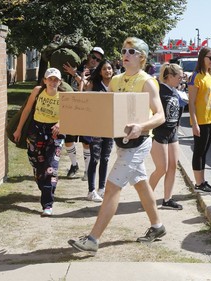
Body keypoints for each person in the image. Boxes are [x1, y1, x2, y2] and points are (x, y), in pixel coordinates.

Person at [68, 37, 166, 255]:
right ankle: (158, 227)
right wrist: (68, 120)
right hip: (121, 142)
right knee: (141, 183)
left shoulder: (147, 81)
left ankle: (93, 240)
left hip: (139, 142)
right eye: (124, 50)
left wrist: (141, 126)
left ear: (142, 57)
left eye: (131, 51)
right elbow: (102, 110)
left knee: (112, 187)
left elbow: (160, 116)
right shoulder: (116, 80)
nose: (126, 54)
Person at [13, 68, 64, 217]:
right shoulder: (37, 91)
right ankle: (46, 188)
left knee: (50, 167)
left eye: (56, 79)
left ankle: (47, 204)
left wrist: (60, 123)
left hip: (54, 132)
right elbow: (27, 109)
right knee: (36, 164)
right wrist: (18, 129)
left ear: (60, 81)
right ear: (45, 80)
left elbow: (71, 113)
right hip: (36, 130)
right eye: (50, 79)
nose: (53, 82)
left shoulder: (64, 96)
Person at [62, 47, 105, 181]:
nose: (94, 61)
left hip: (88, 110)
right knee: (68, 139)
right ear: (88, 55)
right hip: (72, 108)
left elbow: (87, 87)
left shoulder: (98, 74)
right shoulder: (77, 66)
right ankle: (74, 165)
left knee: (86, 142)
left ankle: (87, 170)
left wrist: (75, 75)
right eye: (93, 57)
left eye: (98, 59)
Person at [149, 63, 184, 210]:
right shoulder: (159, 91)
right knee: (161, 168)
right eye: (179, 77)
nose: (181, 80)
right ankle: (147, 195)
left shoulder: (174, 91)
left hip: (172, 133)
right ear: (170, 77)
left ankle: (167, 199)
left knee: (172, 167)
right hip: (159, 133)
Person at [81, 60, 116, 202]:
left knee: (105, 159)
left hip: (110, 126)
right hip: (96, 126)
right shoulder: (93, 84)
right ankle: (91, 191)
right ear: (100, 71)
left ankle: (101, 189)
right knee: (94, 159)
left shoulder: (116, 84)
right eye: (104, 69)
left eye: (109, 68)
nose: (107, 71)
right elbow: (85, 100)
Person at [188, 46, 211, 193]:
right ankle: (198, 183)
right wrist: (194, 123)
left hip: (210, 120)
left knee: (204, 152)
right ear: (202, 58)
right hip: (200, 121)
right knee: (199, 152)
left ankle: (202, 181)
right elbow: (192, 103)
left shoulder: (209, 75)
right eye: (210, 58)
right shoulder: (196, 76)